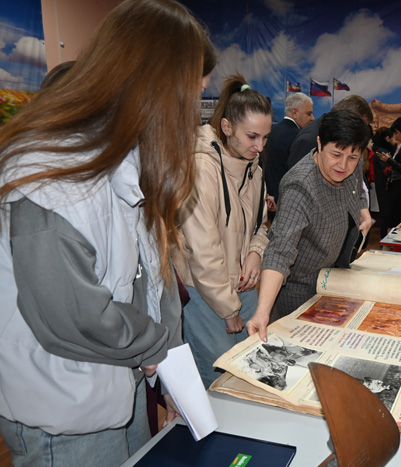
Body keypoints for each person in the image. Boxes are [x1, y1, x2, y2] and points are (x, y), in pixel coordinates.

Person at [0, 1, 213, 465]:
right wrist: (156, 346)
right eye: (190, 96)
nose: (193, 116)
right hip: (65, 408)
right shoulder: (48, 172)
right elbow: (74, 316)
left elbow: (153, 280)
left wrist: (170, 369)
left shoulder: (126, 161)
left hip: (122, 381)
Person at [176, 75, 271, 387]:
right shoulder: (201, 167)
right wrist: (229, 309)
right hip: (206, 295)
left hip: (244, 290)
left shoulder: (254, 170)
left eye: (265, 137)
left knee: (250, 378)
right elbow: (202, 250)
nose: (260, 146)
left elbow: (261, 225)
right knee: (217, 384)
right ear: (227, 127)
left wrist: (256, 252)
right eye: (252, 136)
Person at [246, 110, 372, 341]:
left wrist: (362, 209)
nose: (343, 165)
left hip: (335, 279)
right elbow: (279, 251)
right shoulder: (300, 187)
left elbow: (356, 185)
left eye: (352, 157)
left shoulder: (351, 157)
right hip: (300, 293)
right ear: (319, 143)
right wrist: (262, 312)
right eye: (336, 155)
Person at [263, 92, 314, 220]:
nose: (312, 118)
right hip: (289, 204)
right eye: (309, 114)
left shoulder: (272, 132)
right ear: (294, 113)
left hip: (270, 201)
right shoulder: (300, 138)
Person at [371, 126, 396, 238]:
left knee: (385, 213)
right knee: (387, 213)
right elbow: (387, 170)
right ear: (387, 138)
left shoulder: (379, 149)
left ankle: (384, 238)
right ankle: (384, 239)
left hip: (382, 185)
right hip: (385, 186)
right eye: (392, 138)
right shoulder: (382, 152)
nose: (394, 141)